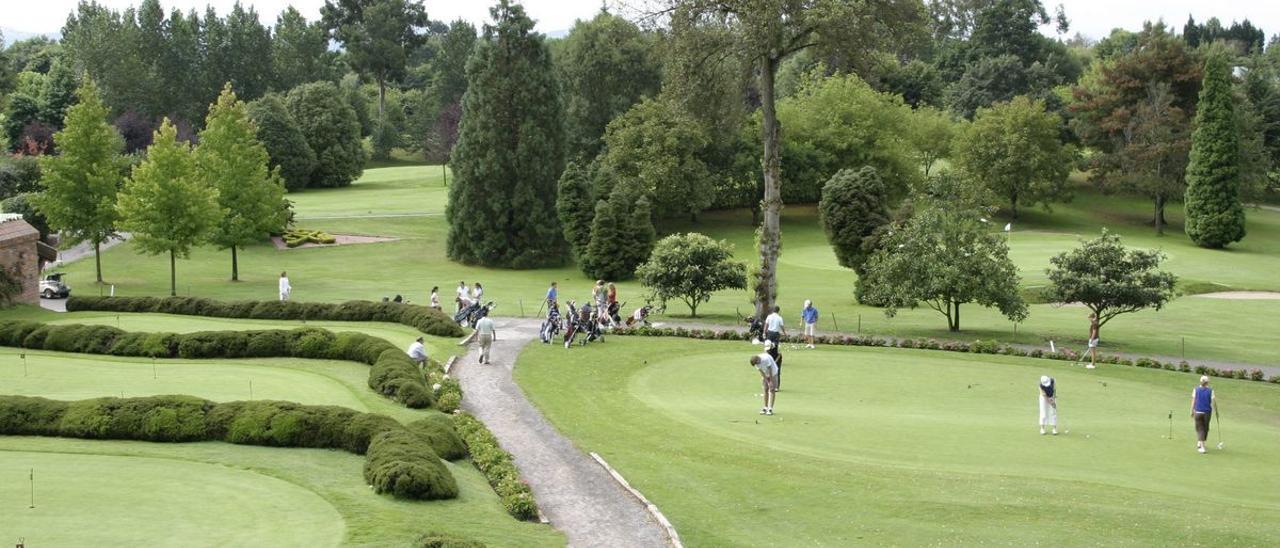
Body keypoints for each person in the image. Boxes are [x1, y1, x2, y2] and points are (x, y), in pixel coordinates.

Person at [1191, 376, 1218, 454]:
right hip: (1207, 412)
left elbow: (1193, 401)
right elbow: (1213, 402)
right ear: (1207, 382)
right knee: (1204, 428)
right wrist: (1216, 411)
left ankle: (1200, 443)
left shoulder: (1195, 389)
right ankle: (1202, 446)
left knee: (1200, 429)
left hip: (1198, 412)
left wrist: (1191, 410)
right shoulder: (1211, 390)